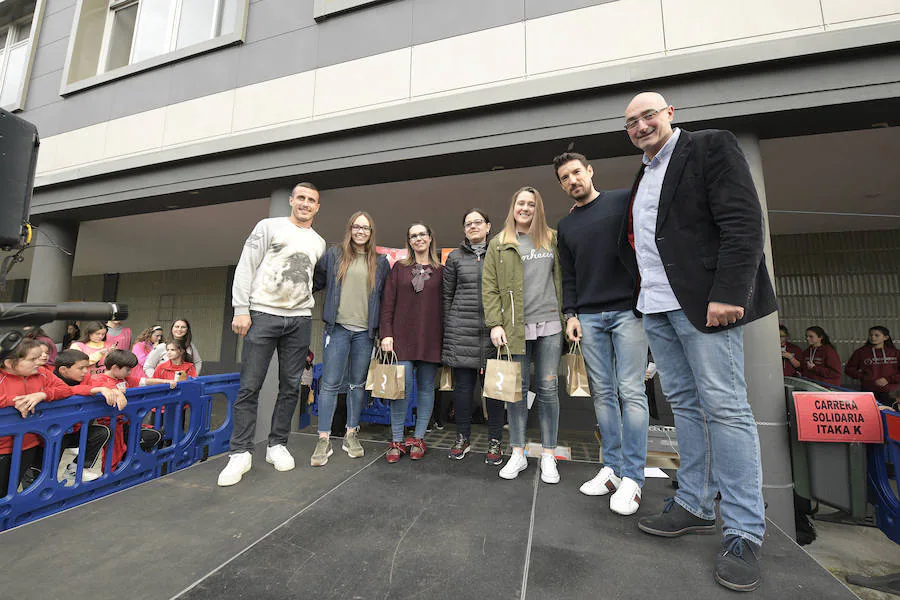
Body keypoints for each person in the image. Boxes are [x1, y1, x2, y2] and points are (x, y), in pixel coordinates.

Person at [622, 92, 777, 592]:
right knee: (685, 406)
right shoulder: (642, 174)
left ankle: (744, 529)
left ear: (671, 114)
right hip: (657, 306)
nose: (641, 125)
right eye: (631, 122)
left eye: (649, 115)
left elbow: (742, 221)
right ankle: (693, 502)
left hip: (706, 302)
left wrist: (730, 291)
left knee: (726, 409)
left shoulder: (710, 146)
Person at [554, 151, 649, 515]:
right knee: (604, 394)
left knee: (631, 391)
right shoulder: (566, 226)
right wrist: (571, 313)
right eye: (565, 177)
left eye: (576, 172)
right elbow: (570, 275)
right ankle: (612, 469)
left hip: (628, 311)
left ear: (590, 171)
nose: (572, 180)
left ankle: (634, 478)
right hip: (589, 317)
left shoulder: (623, 201)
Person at [217, 183, 326, 486]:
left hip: (300, 319)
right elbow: (246, 266)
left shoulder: (318, 242)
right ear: (292, 201)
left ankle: (277, 445)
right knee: (250, 386)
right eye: (301, 198)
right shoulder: (268, 226)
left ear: (318, 207)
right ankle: (240, 452)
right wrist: (241, 308)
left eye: (311, 201)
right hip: (262, 314)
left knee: (291, 386)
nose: (305, 204)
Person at [483, 187, 564, 484]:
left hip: (551, 324)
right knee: (517, 391)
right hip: (515, 327)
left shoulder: (552, 238)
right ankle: (517, 452)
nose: (526, 208)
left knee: (548, 389)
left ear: (538, 208)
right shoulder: (500, 243)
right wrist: (495, 323)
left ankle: (548, 455)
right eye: (521, 203)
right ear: (513, 207)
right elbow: (489, 286)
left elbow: (564, 278)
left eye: (531, 204)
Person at [311, 211, 390, 466]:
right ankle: (323, 438)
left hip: (364, 333)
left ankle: (351, 433)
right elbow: (316, 280)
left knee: (357, 384)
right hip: (338, 329)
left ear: (371, 232)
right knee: (330, 384)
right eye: (356, 226)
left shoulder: (380, 262)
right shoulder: (334, 255)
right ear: (350, 229)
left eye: (365, 228)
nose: (360, 231)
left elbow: (386, 299)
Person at [0, 341, 121, 492]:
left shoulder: (42, 373)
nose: (40, 361)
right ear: (9, 363)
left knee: (16, 489)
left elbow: (65, 390)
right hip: (3, 447)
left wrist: (43, 394)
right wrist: (15, 401)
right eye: (32, 359)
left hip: (30, 443)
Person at [442, 209, 505, 463]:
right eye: (468, 223)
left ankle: (495, 441)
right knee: (464, 389)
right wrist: (449, 329)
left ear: (489, 226)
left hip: (494, 331)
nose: (473, 226)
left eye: (478, 222)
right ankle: (462, 438)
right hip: (462, 330)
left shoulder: (499, 253)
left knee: (494, 391)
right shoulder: (454, 257)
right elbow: (447, 295)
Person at [379, 222, 443, 463]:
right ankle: (397, 439)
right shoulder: (398, 269)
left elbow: (445, 307)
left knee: (427, 388)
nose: (418, 239)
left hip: (431, 337)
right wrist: (386, 333)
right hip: (401, 337)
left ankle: (417, 438)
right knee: (400, 389)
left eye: (422, 234)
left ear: (429, 238)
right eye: (413, 236)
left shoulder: (442, 271)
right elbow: (387, 303)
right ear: (409, 241)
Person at [88, 349, 171, 469]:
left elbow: (145, 381)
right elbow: (106, 388)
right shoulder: (99, 379)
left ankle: (125, 468)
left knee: (152, 435)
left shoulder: (123, 379)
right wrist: (117, 393)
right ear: (115, 367)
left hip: (126, 422)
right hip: (110, 424)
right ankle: (110, 474)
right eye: (127, 369)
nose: (130, 372)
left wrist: (165, 381)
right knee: (114, 452)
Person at [53, 349, 126, 484]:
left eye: (87, 367)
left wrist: (114, 389)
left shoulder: (85, 378)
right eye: (81, 368)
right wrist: (98, 390)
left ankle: (76, 468)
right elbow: (64, 391)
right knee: (47, 466)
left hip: (74, 429)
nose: (86, 371)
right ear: (63, 370)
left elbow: (99, 382)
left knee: (102, 432)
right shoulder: (51, 378)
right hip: (53, 432)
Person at [845, 326, 899, 405]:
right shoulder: (860, 352)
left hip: (892, 392)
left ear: (886, 337)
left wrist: (888, 379)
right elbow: (849, 369)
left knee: (891, 415)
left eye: (877, 335)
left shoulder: (896, 353)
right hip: (869, 391)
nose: (873, 337)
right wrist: (864, 377)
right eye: (871, 335)